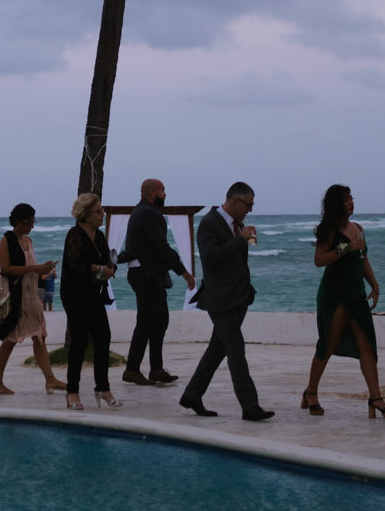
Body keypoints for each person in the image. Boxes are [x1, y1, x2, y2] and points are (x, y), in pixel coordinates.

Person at [182, 181, 271, 421]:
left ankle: (192, 395)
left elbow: (235, 262)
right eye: (248, 204)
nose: (250, 210)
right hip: (219, 299)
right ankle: (250, 407)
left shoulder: (235, 223)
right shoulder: (209, 223)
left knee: (217, 350)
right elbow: (210, 259)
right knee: (236, 351)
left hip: (238, 297)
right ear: (234, 201)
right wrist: (239, 240)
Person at [304, 184, 385, 419]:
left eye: (352, 198)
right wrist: (344, 249)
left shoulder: (358, 228)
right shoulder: (329, 230)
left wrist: (374, 285)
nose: (351, 202)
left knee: (367, 345)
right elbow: (319, 260)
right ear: (336, 205)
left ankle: (376, 397)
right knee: (329, 344)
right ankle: (311, 392)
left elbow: (362, 259)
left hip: (356, 293)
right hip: (335, 294)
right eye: (346, 200)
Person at [0, 202, 62, 397]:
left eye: (33, 222)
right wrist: (35, 268)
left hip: (31, 296)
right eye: (28, 222)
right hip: (16, 297)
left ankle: (49, 379)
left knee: (39, 336)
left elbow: (31, 269)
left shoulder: (29, 241)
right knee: (10, 339)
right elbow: (6, 269)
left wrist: (44, 271)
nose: (31, 226)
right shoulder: (6, 240)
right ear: (17, 222)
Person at [121, 178, 191, 387]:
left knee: (160, 321)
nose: (165, 194)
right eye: (163, 190)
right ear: (153, 192)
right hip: (146, 274)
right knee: (146, 323)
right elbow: (161, 247)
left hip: (147, 273)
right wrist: (184, 272)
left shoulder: (139, 212)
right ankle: (132, 370)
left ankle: (156, 369)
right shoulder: (149, 214)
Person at [61, 194, 120, 410]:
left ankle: (102, 387)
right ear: (85, 215)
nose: (102, 214)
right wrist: (98, 269)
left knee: (103, 336)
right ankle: (72, 392)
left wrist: (111, 269)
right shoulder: (74, 234)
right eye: (98, 211)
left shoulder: (100, 235)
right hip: (74, 293)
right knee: (79, 340)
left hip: (94, 292)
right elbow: (76, 264)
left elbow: (106, 259)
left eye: (102, 211)